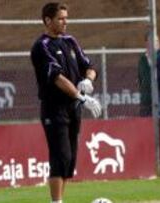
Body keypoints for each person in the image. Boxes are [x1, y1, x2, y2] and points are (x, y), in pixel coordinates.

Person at [30, 3, 102, 203]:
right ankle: (56, 201)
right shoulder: (41, 47)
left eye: (66, 17)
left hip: (73, 109)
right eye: (60, 18)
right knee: (59, 155)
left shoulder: (70, 41)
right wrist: (81, 97)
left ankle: (61, 200)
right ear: (47, 20)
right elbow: (57, 78)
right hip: (54, 109)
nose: (65, 22)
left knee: (69, 159)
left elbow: (89, 65)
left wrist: (88, 79)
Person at [137, 32, 160, 116]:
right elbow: (140, 78)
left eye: (157, 41)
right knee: (145, 126)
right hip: (146, 101)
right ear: (146, 43)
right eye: (152, 41)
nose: (156, 43)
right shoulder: (142, 59)